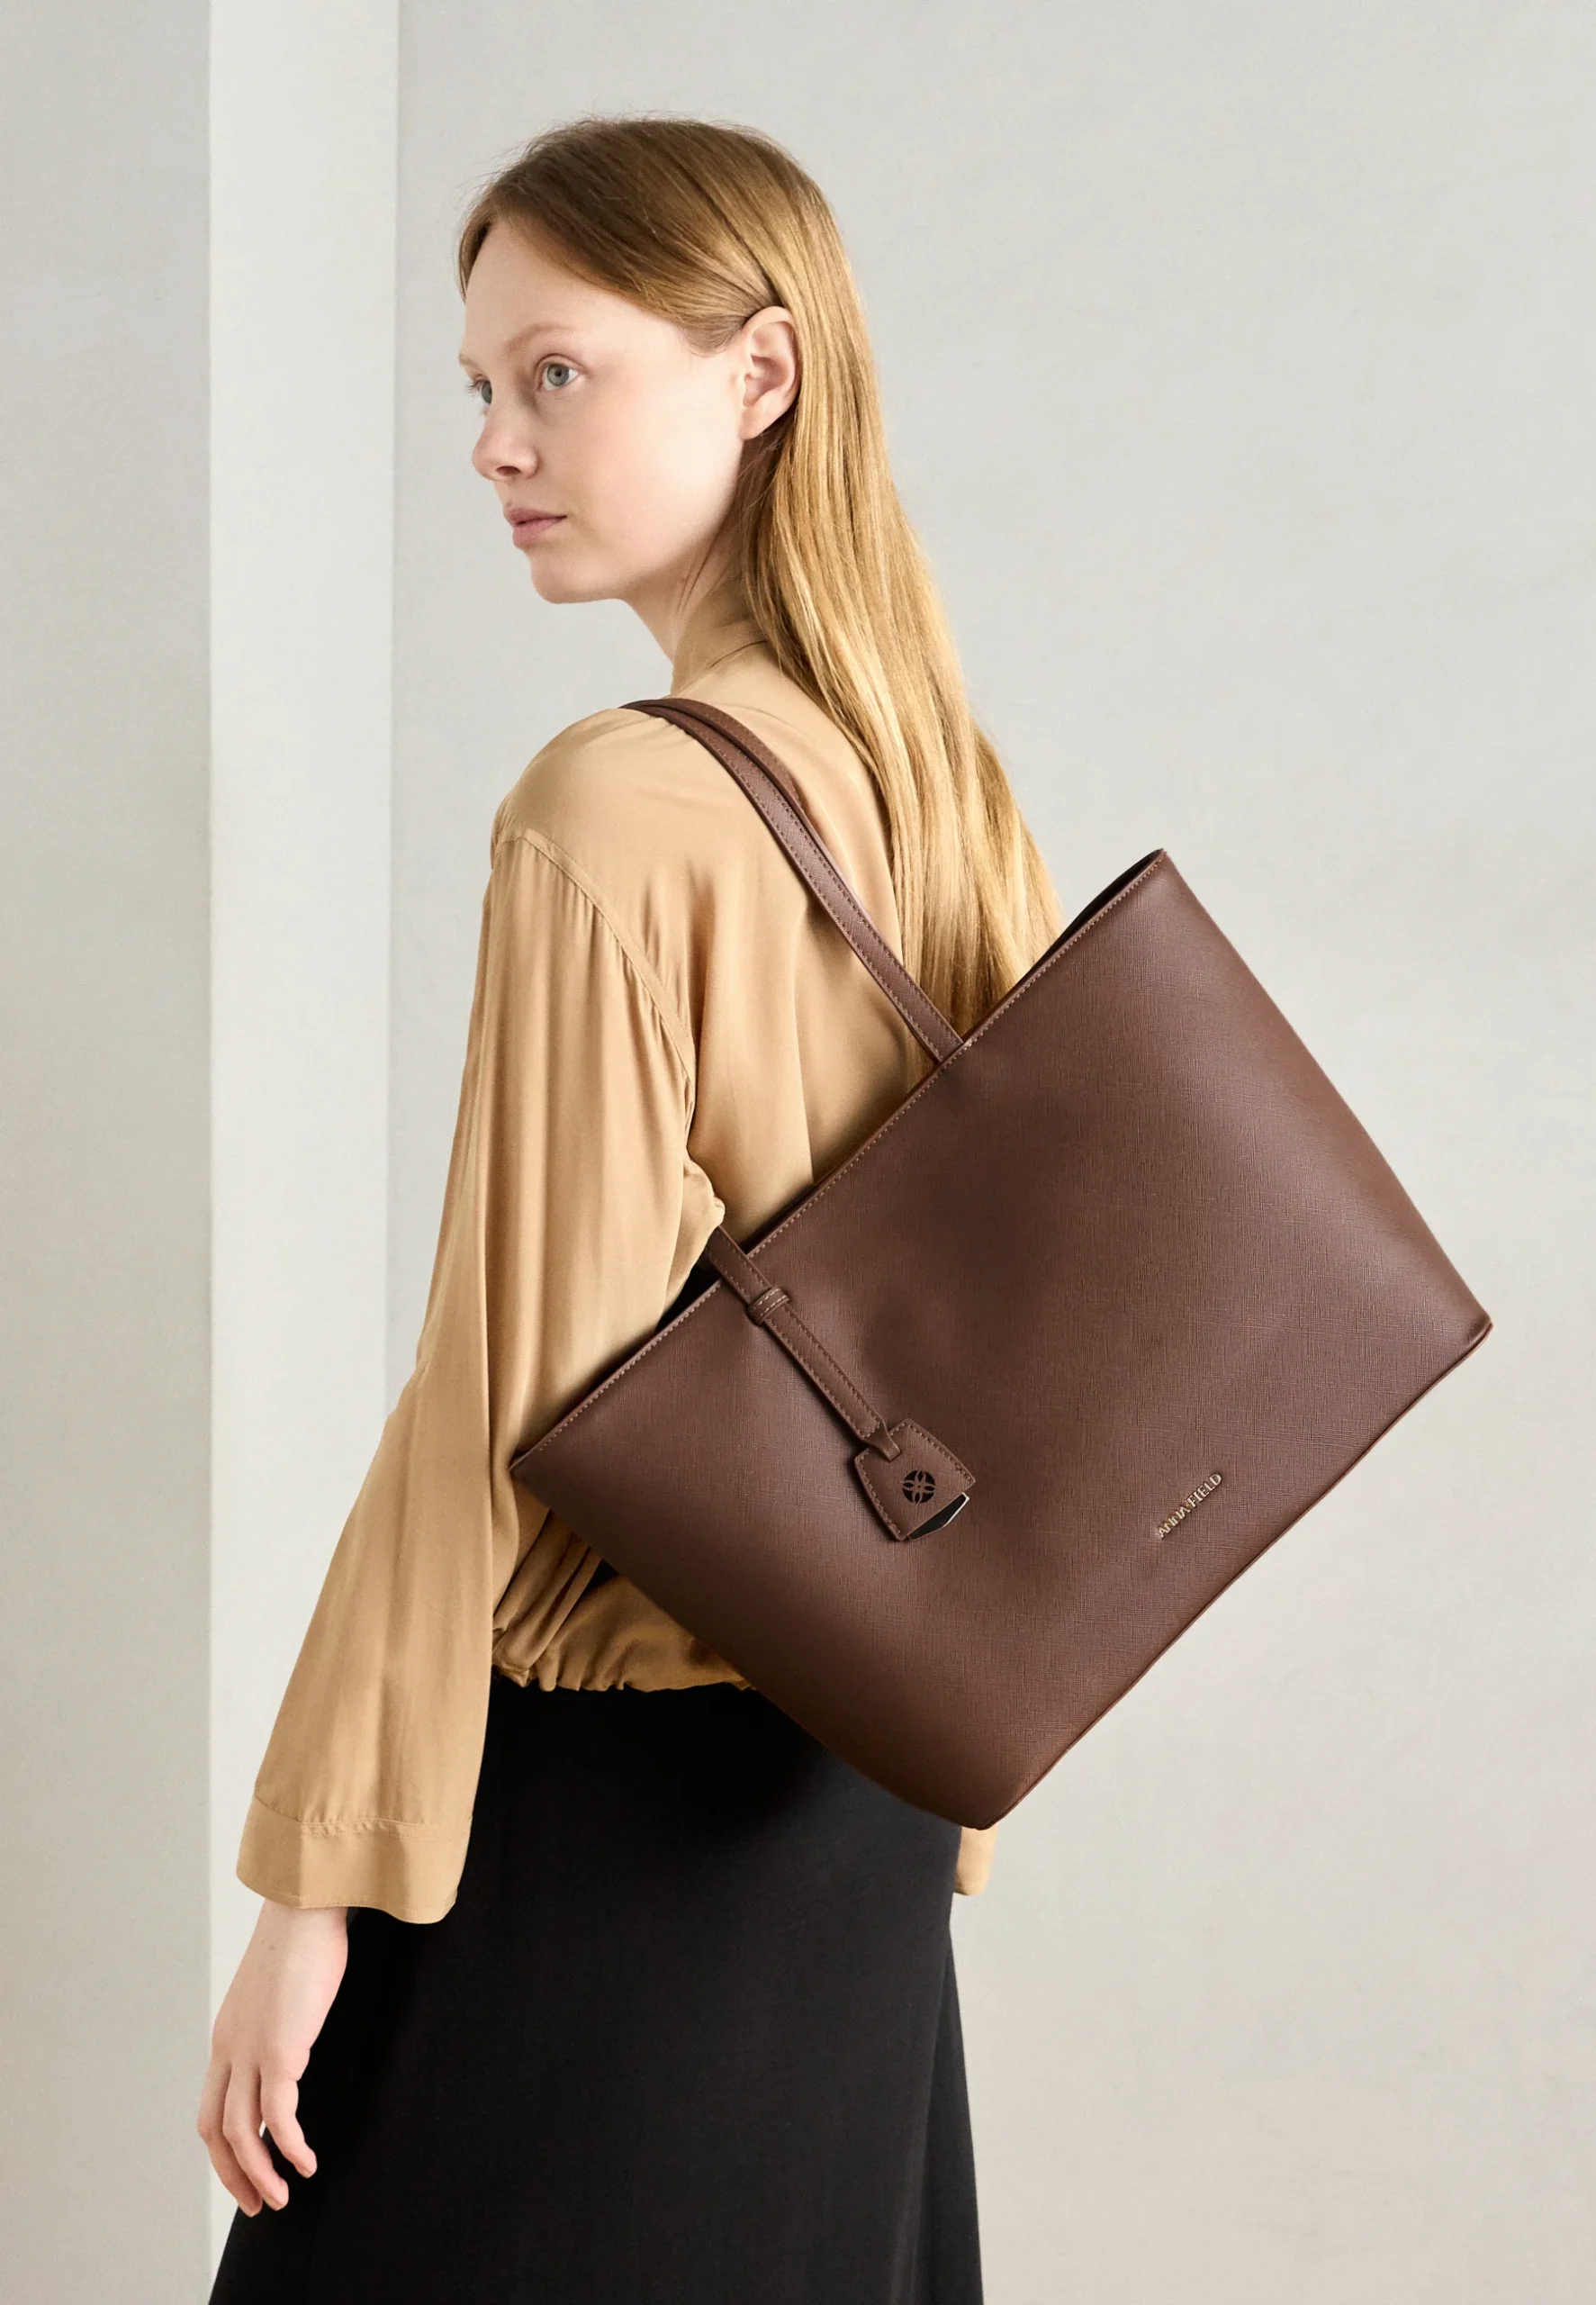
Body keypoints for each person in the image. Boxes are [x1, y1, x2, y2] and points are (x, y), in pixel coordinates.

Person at [198, 113, 1064, 2304]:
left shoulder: (618, 804)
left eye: (556, 374)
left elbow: (508, 1392)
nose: (496, 443)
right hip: (857, 1794)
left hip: (601, 1805)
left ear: (760, 372)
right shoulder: (940, 789)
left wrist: (317, 1880)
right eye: (479, 389)